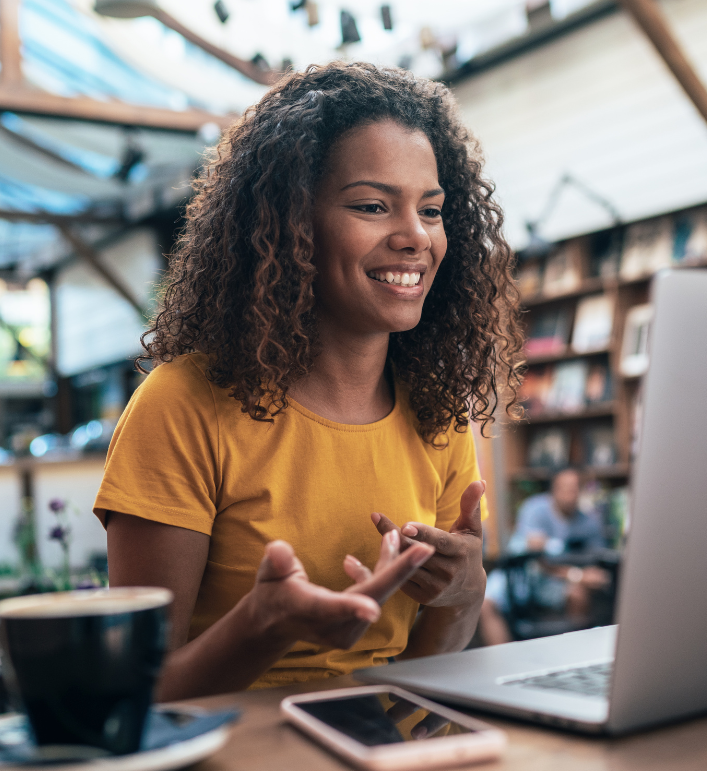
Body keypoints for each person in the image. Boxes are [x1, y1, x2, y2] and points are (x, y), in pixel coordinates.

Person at [93, 63, 522, 701]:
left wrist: (462, 595)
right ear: (292, 223)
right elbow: (137, 695)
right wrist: (262, 625)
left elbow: (420, 677)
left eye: (430, 211)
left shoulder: (438, 412)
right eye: (373, 206)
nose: (414, 237)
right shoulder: (184, 405)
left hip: (386, 755)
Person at [480, 469, 609, 646]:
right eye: (564, 488)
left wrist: (585, 576)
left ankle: (575, 657)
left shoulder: (588, 522)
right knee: (485, 603)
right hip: (522, 577)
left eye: (574, 488)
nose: (570, 494)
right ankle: (503, 665)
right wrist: (577, 575)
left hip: (555, 583)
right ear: (553, 489)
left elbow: (598, 563)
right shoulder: (536, 509)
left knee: (579, 594)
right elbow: (539, 562)